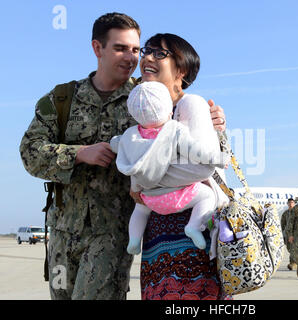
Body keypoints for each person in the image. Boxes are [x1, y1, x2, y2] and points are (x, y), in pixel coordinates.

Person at [19, 13, 226, 300]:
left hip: (115, 233)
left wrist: (215, 121)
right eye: (120, 48)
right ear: (97, 48)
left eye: (135, 49)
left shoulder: (151, 99)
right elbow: (30, 152)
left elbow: (190, 121)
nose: (132, 58)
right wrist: (79, 154)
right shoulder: (63, 98)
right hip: (65, 231)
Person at [135, 33, 231, 300]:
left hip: (191, 234)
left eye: (159, 53)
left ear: (182, 70)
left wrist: (144, 182)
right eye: (147, 51)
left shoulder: (190, 104)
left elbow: (202, 166)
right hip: (158, 235)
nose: (148, 58)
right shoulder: (146, 111)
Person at [110, 81, 227, 253]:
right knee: (207, 196)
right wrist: (218, 158)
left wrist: (111, 143)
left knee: (140, 210)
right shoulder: (174, 130)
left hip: (148, 198)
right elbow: (196, 151)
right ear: (170, 110)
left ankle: (134, 240)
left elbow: (115, 143)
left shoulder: (130, 135)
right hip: (175, 199)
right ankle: (193, 226)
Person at [280, 198, 296, 270]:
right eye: (289, 202)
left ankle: (292, 263)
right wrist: (280, 233)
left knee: (293, 249)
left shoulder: (297, 213)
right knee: (289, 249)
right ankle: (295, 262)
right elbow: (282, 224)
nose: (290, 204)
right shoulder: (285, 213)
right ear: (287, 204)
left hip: (295, 234)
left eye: (292, 202)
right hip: (288, 234)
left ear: (294, 204)